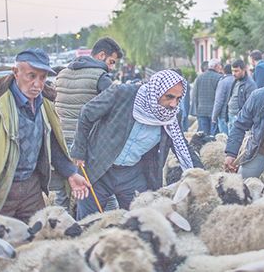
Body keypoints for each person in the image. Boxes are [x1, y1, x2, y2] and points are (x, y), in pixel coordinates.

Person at [0, 49, 91, 230]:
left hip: (31, 188)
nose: (37, 84)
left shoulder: (45, 103)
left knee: (39, 240)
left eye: (42, 77)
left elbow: (52, 142)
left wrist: (71, 173)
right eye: (31, 76)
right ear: (15, 72)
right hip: (0, 190)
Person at [72, 70, 197, 218]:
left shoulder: (171, 116)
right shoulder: (122, 94)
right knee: (89, 221)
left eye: (178, 98)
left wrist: (201, 175)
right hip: (99, 166)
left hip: (132, 174)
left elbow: (182, 146)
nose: (173, 104)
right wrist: (79, 151)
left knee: (141, 220)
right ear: (156, 91)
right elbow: (86, 113)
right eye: (169, 97)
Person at [54, 37, 123, 211]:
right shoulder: (101, 77)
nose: (112, 67)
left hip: (61, 143)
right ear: (101, 55)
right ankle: (109, 225)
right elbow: (115, 109)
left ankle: (58, 229)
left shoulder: (62, 74)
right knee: (101, 191)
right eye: (111, 62)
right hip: (86, 146)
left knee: (64, 192)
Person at [191, 58, 222, 135]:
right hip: (214, 111)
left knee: (204, 135)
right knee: (213, 136)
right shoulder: (219, 78)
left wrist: (196, 110)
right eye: (219, 66)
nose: (220, 68)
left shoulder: (199, 77)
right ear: (216, 66)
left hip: (201, 111)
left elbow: (195, 95)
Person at [226, 60, 257, 133]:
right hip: (231, 115)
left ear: (244, 70)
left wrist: (243, 119)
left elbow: (250, 106)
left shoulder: (250, 84)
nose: (233, 73)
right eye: (232, 71)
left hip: (239, 118)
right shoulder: (235, 81)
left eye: (236, 71)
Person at [211, 64, 234, 135]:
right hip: (235, 114)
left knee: (224, 139)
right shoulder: (237, 80)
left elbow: (219, 101)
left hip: (223, 115)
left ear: (224, 71)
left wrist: (214, 117)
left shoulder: (223, 82)